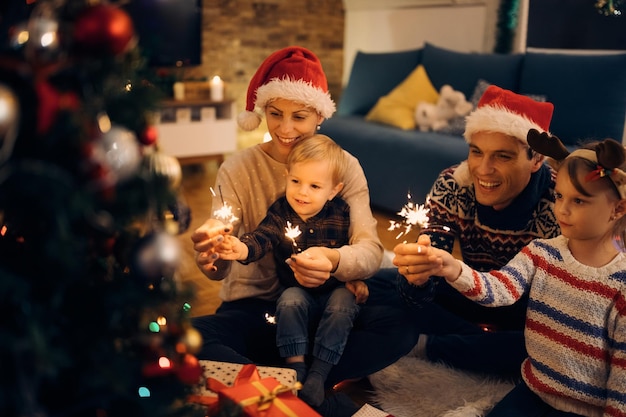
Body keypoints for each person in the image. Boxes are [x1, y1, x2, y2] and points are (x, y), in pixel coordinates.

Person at [190, 46, 418, 412]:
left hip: (329, 302)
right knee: (193, 337)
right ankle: (306, 381)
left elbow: (370, 251)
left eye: (299, 116)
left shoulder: (344, 166)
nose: (285, 128)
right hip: (260, 309)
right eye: (275, 114)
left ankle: (287, 380)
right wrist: (211, 256)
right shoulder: (236, 169)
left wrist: (334, 260)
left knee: (401, 320)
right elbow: (222, 264)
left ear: (319, 116)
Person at [407, 133, 626, 416]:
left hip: (586, 410)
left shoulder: (620, 284)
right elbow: (500, 288)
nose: (562, 209)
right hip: (533, 391)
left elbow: (622, 376)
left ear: (618, 209)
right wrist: (454, 268)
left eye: (579, 201)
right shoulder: (542, 252)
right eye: (559, 196)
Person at [393, 85, 562, 377]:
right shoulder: (452, 184)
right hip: (468, 290)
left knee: (548, 349)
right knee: (381, 285)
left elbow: (556, 312)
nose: (483, 169)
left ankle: (436, 346)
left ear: (536, 160)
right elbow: (430, 278)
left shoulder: (560, 202)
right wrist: (417, 277)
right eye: (476, 152)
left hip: (526, 314)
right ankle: (474, 343)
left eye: (503, 156)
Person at [214, 134, 367, 407]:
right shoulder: (281, 211)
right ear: (287, 176)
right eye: (295, 181)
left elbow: (354, 249)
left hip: (335, 290)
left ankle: (319, 374)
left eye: (315, 186)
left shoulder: (341, 213)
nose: (302, 192)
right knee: (289, 300)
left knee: (346, 303)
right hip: (296, 291)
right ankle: (296, 370)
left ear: (333, 190)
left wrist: (355, 277)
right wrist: (242, 249)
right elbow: (264, 236)